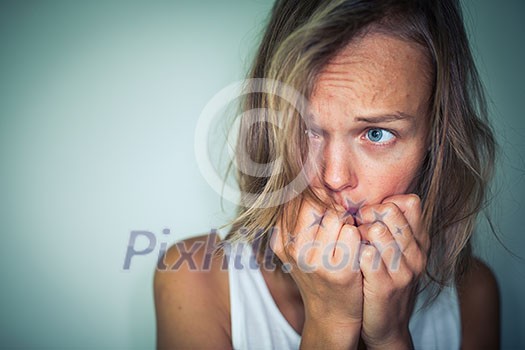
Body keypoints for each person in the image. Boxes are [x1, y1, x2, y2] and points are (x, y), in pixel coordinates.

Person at [154, 0, 500, 348]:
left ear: (434, 139)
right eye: (306, 129)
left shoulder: (472, 294)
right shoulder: (194, 281)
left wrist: (391, 337)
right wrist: (330, 324)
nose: (334, 178)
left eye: (376, 133)